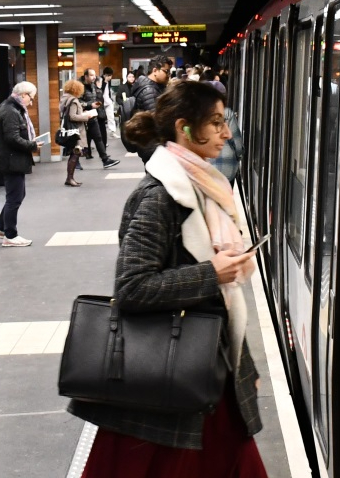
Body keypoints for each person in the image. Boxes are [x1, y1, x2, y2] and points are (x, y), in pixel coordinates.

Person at [70, 81, 266, 478]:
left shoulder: (205, 186)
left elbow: (223, 303)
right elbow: (132, 288)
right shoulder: (159, 197)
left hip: (206, 369)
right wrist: (211, 273)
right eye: (215, 123)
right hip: (171, 377)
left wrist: (245, 371)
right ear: (184, 127)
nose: (226, 133)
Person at [0, 81, 42, 247]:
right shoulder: (11, 111)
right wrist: (32, 145)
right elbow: (12, 138)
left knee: (17, 195)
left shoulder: (7, 107)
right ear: (23, 95)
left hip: (11, 159)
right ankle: (10, 236)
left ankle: (1, 228)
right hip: (11, 160)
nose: (31, 102)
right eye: (31, 98)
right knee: (14, 198)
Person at [80, 68, 120, 168]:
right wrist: (90, 105)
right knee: (80, 141)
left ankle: (105, 160)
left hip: (93, 116)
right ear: (86, 76)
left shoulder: (93, 86)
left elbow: (98, 98)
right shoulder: (80, 87)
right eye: (91, 75)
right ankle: (75, 161)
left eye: (94, 75)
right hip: (82, 117)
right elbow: (78, 102)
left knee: (98, 138)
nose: (94, 77)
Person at [60, 79, 95, 187]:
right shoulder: (73, 100)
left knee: (73, 154)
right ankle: (70, 178)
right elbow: (73, 116)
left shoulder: (64, 98)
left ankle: (70, 178)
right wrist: (86, 116)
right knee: (75, 154)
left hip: (69, 130)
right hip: (76, 131)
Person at [101, 66, 119, 138]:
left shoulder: (108, 82)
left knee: (111, 117)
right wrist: (104, 82)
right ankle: (103, 135)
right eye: (109, 76)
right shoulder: (100, 80)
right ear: (105, 75)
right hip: (102, 102)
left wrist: (111, 99)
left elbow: (107, 92)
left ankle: (112, 132)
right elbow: (101, 91)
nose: (110, 77)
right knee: (101, 119)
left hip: (108, 101)